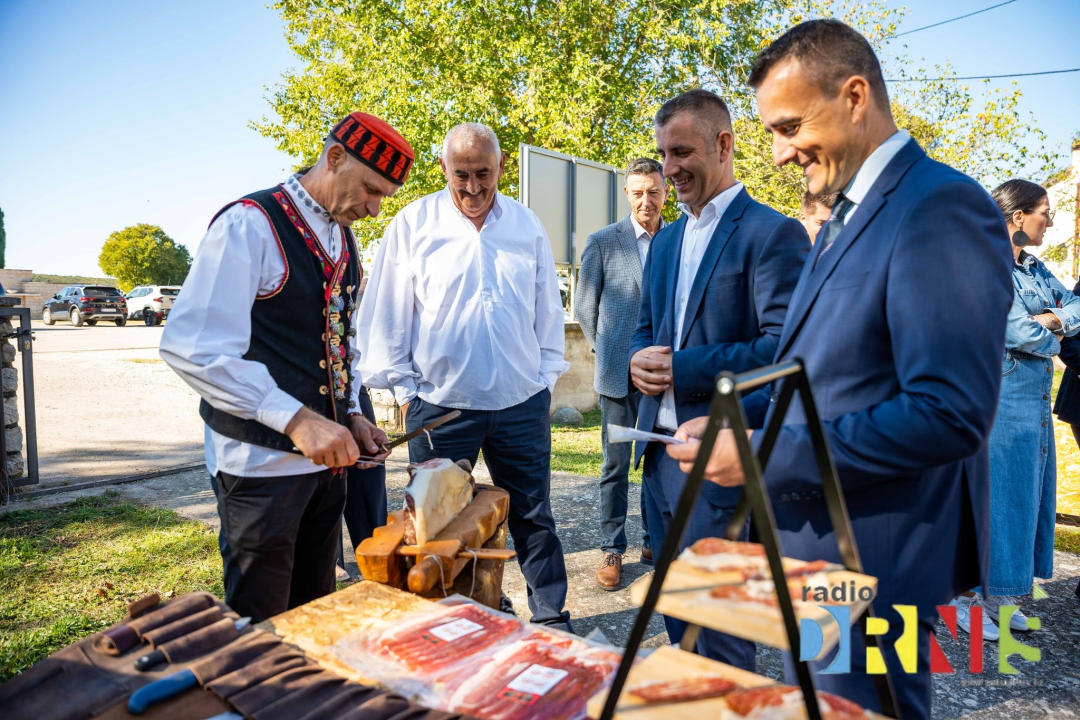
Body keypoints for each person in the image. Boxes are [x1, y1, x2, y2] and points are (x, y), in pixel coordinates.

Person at [667, 20, 1013, 719]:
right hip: (820, 547)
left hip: (875, 556)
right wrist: (733, 420)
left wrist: (760, 455)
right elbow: (816, 372)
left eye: (790, 127)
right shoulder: (847, 217)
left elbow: (947, 413)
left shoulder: (939, 207)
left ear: (855, 96)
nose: (779, 153)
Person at [161, 112, 410, 622]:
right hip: (260, 468)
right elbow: (193, 347)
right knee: (262, 621)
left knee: (312, 614)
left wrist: (351, 414)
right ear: (334, 157)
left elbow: (340, 341)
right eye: (370, 189)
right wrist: (296, 419)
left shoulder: (344, 239)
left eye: (383, 196)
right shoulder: (250, 224)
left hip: (325, 471)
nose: (374, 208)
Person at [356, 122, 573, 631]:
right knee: (435, 528)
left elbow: (547, 310)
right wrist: (406, 394)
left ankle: (551, 617)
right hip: (440, 409)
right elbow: (388, 315)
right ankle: (452, 623)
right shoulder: (412, 224)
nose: (473, 187)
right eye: (461, 175)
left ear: (501, 167)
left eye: (483, 174)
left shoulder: (526, 224)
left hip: (521, 404)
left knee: (533, 516)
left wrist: (544, 383)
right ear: (443, 169)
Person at [629, 89, 809, 669]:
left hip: (720, 456)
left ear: (724, 145)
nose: (670, 168)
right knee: (677, 613)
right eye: (664, 154)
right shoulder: (666, 240)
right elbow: (645, 328)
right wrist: (636, 360)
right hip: (657, 454)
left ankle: (732, 703)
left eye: (682, 152)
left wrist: (681, 368)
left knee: (720, 625)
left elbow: (784, 349)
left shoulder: (772, 233)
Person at [952, 179, 1080, 635]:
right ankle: (963, 599)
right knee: (992, 496)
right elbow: (1016, 332)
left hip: (1031, 401)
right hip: (997, 398)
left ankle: (997, 593)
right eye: (1046, 213)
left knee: (1022, 497)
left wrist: (1050, 320)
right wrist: (1054, 332)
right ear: (1019, 216)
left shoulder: (1033, 267)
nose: (1051, 222)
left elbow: (1076, 306)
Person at [574, 157, 666, 590]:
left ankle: (654, 540)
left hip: (665, 375)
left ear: (665, 192)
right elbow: (583, 308)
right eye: (638, 192)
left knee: (657, 463)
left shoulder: (680, 239)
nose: (646, 200)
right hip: (617, 377)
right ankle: (612, 547)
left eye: (654, 191)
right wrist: (611, 353)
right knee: (615, 464)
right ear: (626, 193)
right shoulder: (603, 243)